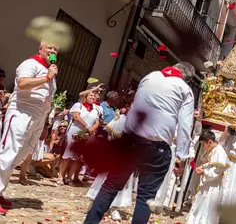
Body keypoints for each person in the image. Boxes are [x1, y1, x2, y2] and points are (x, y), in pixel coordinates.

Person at [84, 62, 195, 224]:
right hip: (156, 146)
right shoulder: (185, 89)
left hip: (130, 139)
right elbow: (185, 125)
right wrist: (181, 157)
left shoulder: (149, 77)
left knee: (110, 186)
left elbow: (136, 106)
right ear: (186, 78)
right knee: (145, 197)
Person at [0, 41, 58, 215]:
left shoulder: (51, 71)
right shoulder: (30, 64)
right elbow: (23, 84)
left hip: (37, 119)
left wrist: (45, 123)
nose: (53, 51)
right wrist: (47, 77)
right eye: (50, 48)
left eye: (56, 49)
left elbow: (46, 98)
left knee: (19, 156)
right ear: (41, 50)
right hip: (21, 115)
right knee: (7, 153)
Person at [87, 106, 134, 222]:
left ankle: (115, 207)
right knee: (106, 179)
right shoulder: (121, 119)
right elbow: (110, 134)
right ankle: (96, 201)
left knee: (124, 182)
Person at [58, 91, 101, 186]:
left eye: (94, 96)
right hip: (74, 131)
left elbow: (97, 122)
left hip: (86, 135)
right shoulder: (78, 105)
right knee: (67, 155)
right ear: (86, 97)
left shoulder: (95, 109)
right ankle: (61, 176)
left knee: (76, 157)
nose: (93, 97)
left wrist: (90, 131)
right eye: (91, 95)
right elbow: (76, 117)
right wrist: (87, 127)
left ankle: (69, 177)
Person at [187, 129, 229, 224]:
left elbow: (218, 169)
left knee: (207, 208)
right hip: (207, 184)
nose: (202, 147)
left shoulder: (219, 151)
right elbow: (211, 164)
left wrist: (204, 171)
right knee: (200, 205)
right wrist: (203, 167)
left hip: (213, 186)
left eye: (203, 144)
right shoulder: (213, 150)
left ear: (209, 142)